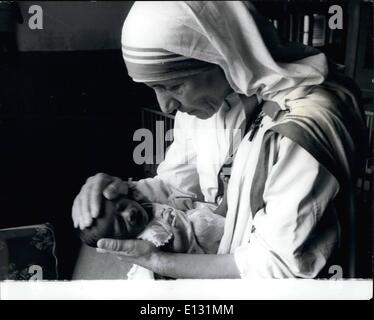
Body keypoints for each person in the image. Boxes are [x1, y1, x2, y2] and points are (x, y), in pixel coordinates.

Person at [71, 1, 366, 279]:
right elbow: (176, 186)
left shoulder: (305, 126)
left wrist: (160, 262)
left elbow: (279, 264)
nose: (165, 106)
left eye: (173, 85)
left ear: (220, 55)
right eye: (154, 89)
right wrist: (118, 193)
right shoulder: (212, 103)